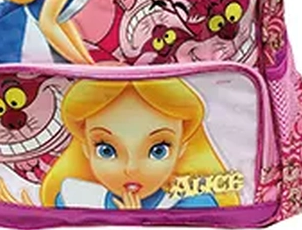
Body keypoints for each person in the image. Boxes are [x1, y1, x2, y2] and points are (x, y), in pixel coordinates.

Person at [40, 78, 241, 209]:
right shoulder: (74, 197)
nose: (131, 168)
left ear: (182, 148)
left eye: (158, 150)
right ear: (86, 148)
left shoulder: (195, 201)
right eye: (106, 150)